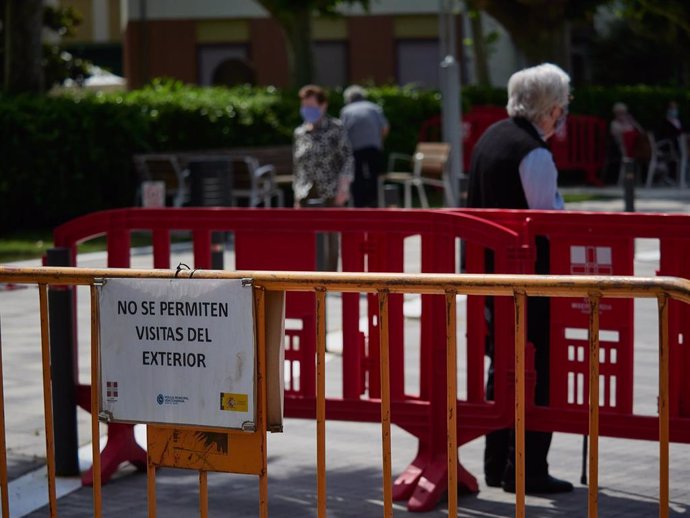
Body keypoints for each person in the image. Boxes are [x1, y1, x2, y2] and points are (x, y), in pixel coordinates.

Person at [467, 63, 573, 494]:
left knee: (502, 367)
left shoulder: (490, 137)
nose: (562, 116)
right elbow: (548, 222)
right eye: (561, 108)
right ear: (549, 110)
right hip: (530, 282)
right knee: (537, 369)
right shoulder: (534, 153)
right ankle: (528, 468)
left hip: (489, 276)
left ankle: (497, 464)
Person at [293, 84, 353, 270]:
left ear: (323, 105)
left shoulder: (335, 128)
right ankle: (307, 276)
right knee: (306, 236)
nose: (307, 110)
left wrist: (343, 188)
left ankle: (329, 276)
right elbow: (297, 166)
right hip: (306, 191)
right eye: (305, 106)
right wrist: (296, 195)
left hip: (330, 190)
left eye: (311, 106)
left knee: (330, 237)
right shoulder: (300, 132)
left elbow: (347, 159)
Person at [339, 85, 390, 207]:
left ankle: (359, 204)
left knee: (357, 177)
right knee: (374, 175)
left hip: (355, 148)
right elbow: (385, 128)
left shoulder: (346, 110)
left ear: (348, 98)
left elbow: (342, 132)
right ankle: (375, 202)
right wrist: (379, 141)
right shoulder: (373, 108)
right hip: (373, 147)